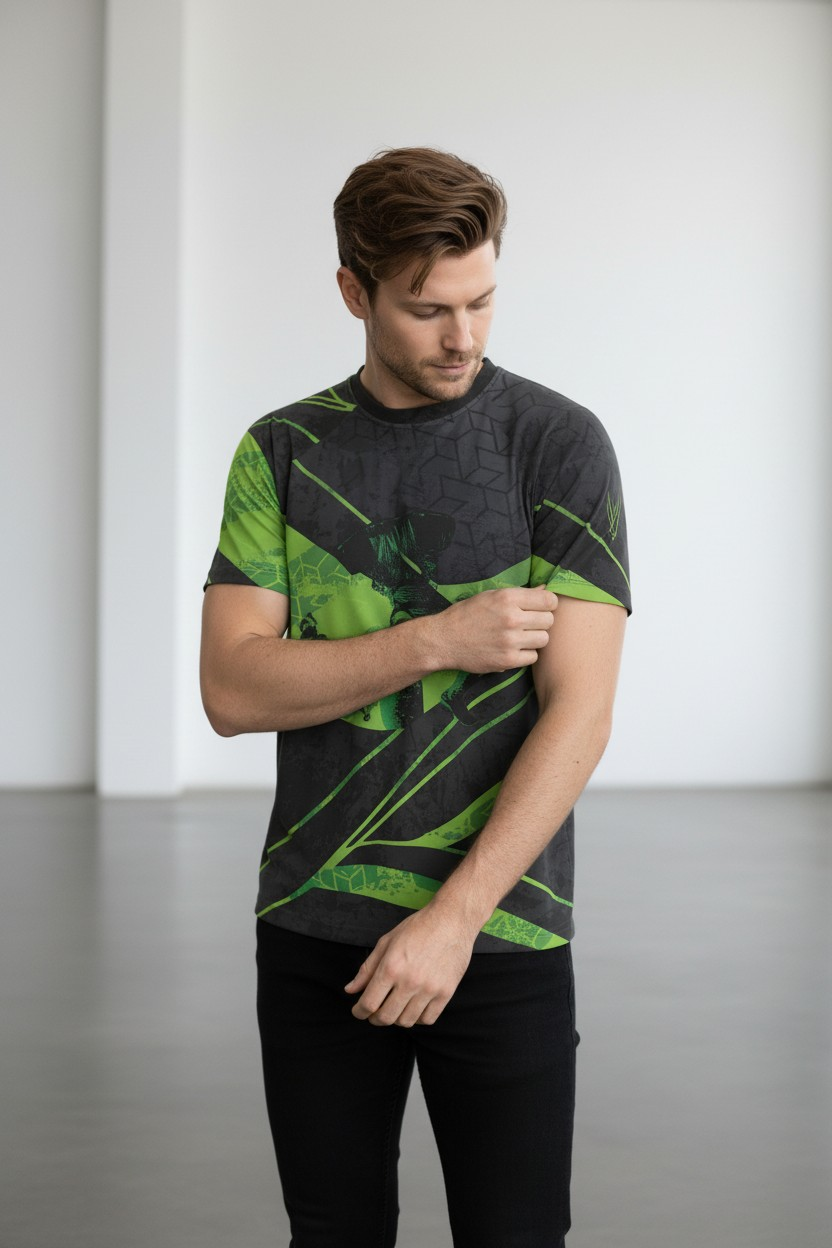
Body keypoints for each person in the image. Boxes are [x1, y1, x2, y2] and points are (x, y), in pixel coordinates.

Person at [200, 146, 631, 1248]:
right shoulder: (283, 452)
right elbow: (233, 689)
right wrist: (436, 639)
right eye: (427, 309)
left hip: (502, 931)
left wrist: (452, 922)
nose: (463, 337)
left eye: (481, 301)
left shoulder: (556, 445)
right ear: (355, 293)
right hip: (316, 924)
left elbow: (580, 714)